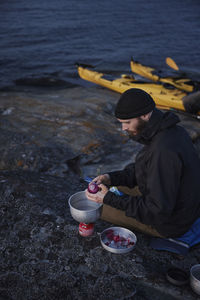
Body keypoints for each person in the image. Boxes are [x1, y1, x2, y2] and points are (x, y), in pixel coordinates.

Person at [86, 88, 200, 238]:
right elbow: (145, 168)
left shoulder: (163, 151)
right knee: (109, 189)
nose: (123, 128)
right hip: (179, 204)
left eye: (127, 122)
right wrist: (110, 177)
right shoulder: (172, 131)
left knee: (96, 207)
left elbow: (157, 212)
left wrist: (108, 199)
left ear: (145, 115)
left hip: (171, 222)